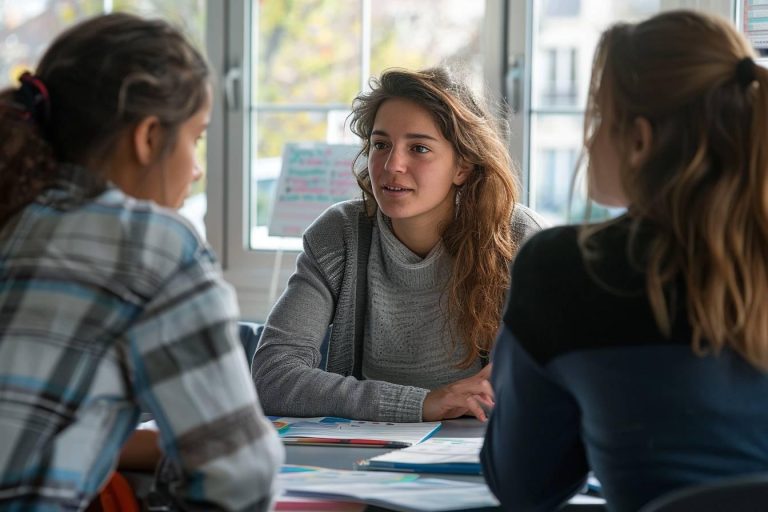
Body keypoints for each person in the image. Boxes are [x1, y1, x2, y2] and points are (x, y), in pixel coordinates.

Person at [481, 9, 768, 512]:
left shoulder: (567, 269)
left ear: (639, 139)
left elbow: (525, 485)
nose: (588, 140)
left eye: (597, 117)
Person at [0, 13, 283, 511]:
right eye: (196, 139)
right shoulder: (152, 246)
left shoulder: (14, 212)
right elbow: (240, 478)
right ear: (149, 137)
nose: (196, 170)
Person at [252, 67, 545, 423]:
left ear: (462, 167)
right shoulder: (340, 234)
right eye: (381, 145)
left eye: (419, 148)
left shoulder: (515, 237)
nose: (392, 165)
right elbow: (272, 376)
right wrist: (422, 404)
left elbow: (547, 381)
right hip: (359, 456)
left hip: (476, 456)